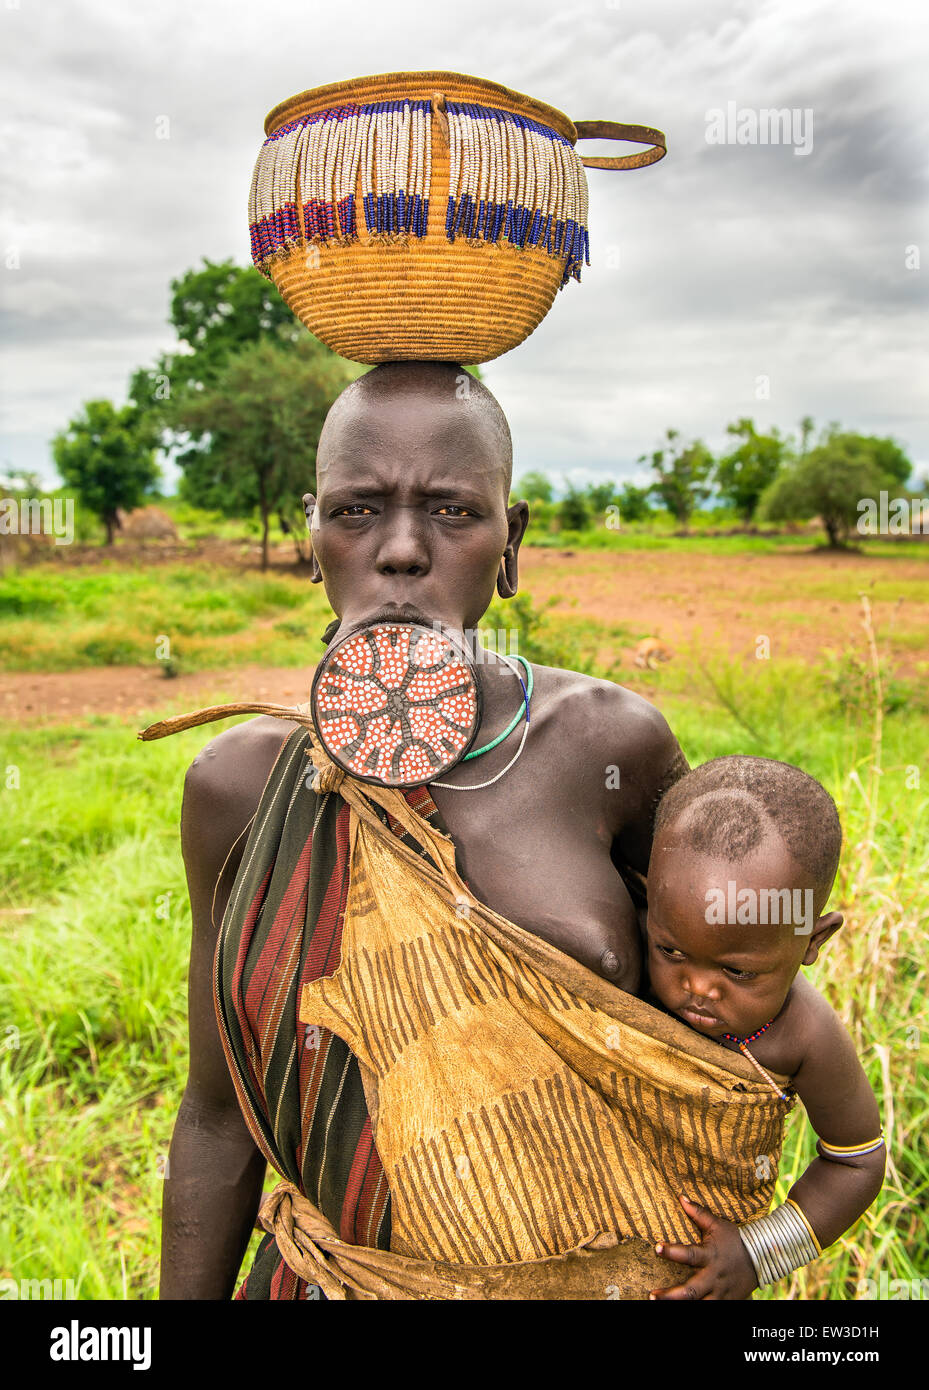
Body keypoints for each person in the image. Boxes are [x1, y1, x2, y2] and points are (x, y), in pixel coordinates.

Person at [158, 360, 692, 1299]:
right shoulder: (238, 787)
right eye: (357, 510)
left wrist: (772, 1239)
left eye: (451, 511)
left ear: (510, 541)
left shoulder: (612, 747)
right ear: (309, 534)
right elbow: (216, 1118)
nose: (402, 550)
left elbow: (731, 1031)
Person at [642, 755, 886, 1301]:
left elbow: (858, 1161)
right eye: (671, 949)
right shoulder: (623, 969)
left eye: (738, 971)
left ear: (812, 942)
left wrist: (756, 1255)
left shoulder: (805, 1037)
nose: (698, 987)